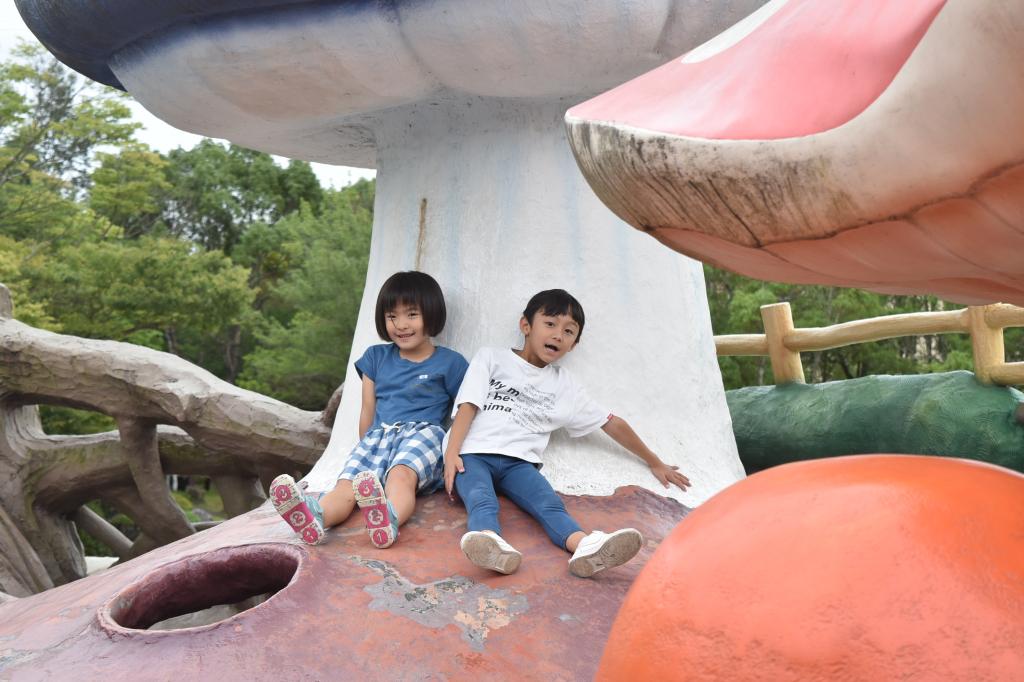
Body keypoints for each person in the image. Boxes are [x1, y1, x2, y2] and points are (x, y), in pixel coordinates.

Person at [443, 289, 690, 577]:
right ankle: (489, 543)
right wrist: (451, 453)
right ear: (526, 326)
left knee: (549, 503)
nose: (558, 335)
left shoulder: (564, 385)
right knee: (481, 498)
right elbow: (468, 405)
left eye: (569, 331)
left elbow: (610, 422)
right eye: (550, 324)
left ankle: (585, 547)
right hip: (473, 454)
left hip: (519, 464)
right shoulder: (492, 358)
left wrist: (654, 461)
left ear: (574, 344)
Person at [271, 271, 468, 548]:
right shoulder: (376, 357)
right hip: (378, 436)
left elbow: (466, 409)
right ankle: (316, 517)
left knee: (400, 477)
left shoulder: (450, 363)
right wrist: (366, 448)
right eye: (392, 316)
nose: (401, 324)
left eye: (411, 314)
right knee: (348, 484)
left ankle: (389, 517)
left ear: (431, 314)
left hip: (422, 435)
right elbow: (368, 409)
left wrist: (452, 452)